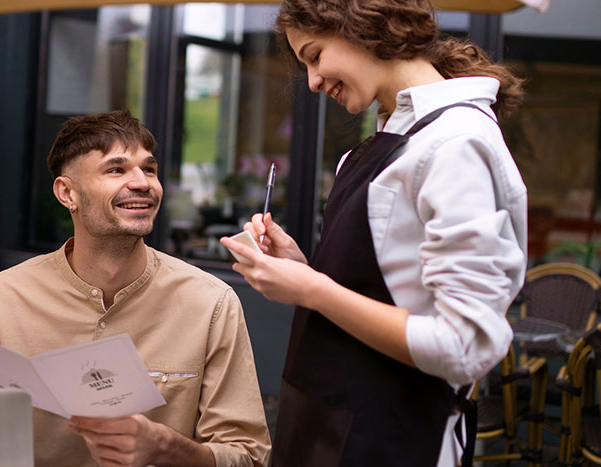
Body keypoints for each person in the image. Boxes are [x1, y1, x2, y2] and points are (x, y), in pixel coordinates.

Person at [221, 0, 527, 465]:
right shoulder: (382, 142)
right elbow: (389, 294)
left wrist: (315, 289)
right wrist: (303, 272)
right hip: (325, 427)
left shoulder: (455, 144)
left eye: (316, 55)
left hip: (393, 440)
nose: (313, 81)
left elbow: (462, 345)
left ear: (361, 25)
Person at [0, 110, 271, 467]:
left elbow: (249, 455)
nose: (142, 183)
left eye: (148, 169)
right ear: (67, 192)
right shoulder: (3, 299)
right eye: (116, 169)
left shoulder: (211, 303)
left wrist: (168, 449)